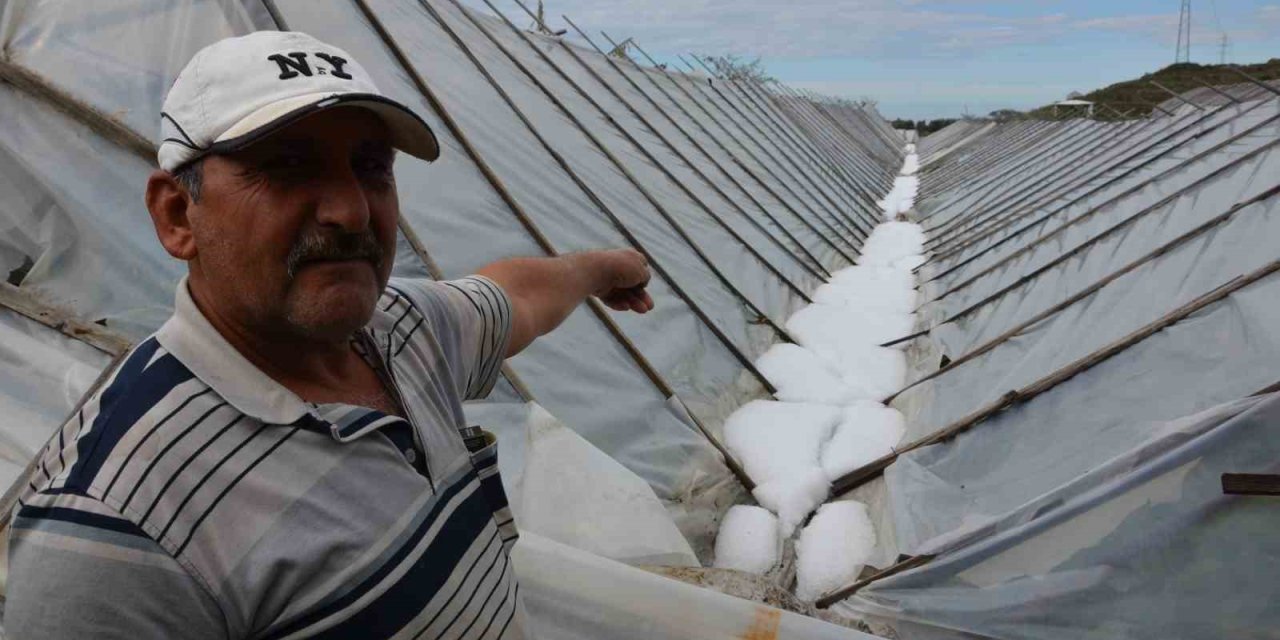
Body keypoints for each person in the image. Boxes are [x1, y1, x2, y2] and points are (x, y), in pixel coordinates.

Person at [4, 30, 652, 639]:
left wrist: (603, 269)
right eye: (288, 167)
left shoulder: (403, 331)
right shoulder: (117, 524)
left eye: (371, 167)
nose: (351, 211)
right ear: (177, 215)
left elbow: (517, 295)